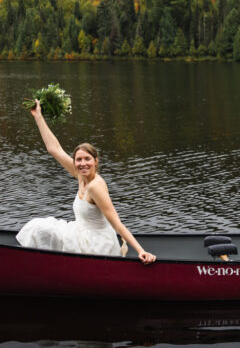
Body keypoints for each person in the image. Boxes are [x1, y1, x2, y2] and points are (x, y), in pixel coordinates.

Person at [16, 99, 156, 264]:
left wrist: (141, 250)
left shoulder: (95, 186)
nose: (83, 163)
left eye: (87, 159)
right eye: (78, 160)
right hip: (80, 232)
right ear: (74, 162)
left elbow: (116, 223)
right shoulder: (81, 175)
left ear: (96, 161)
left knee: (39, 228)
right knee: (37, 226)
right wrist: (38, 116)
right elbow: (54, 149)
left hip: (96, 243)